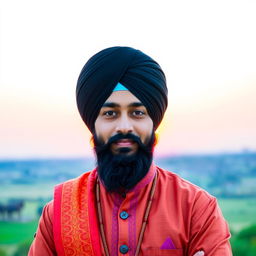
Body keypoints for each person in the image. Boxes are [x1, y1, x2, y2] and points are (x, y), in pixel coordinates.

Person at [28, 47, 232, 256]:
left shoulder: (196, 209)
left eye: (137, 112)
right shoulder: (60, 213)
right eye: (110, 113)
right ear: (93, 125)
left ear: (154, 123)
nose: (124, 126)